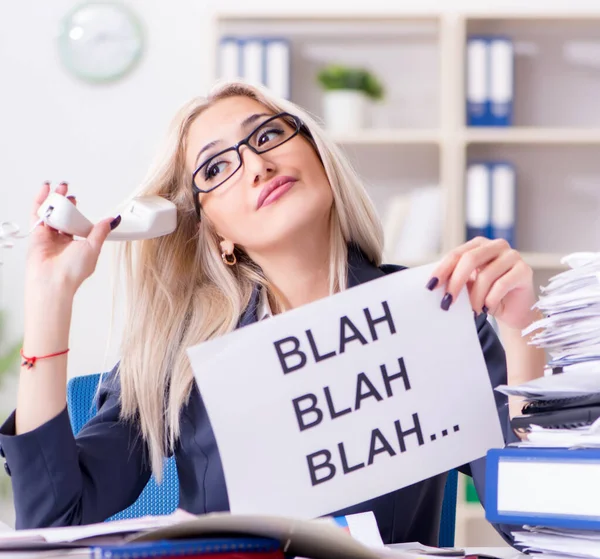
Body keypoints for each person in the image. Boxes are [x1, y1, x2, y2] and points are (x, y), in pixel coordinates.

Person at [0, 80, 545, 544]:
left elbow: (533, 525)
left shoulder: (437, 314)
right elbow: (52, 520)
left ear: (319, 157)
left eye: (267, 136)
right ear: (214, 232)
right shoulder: (179, 356)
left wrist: (521, 332)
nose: (257, 165)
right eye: (216, 167)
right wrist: (50, 299)